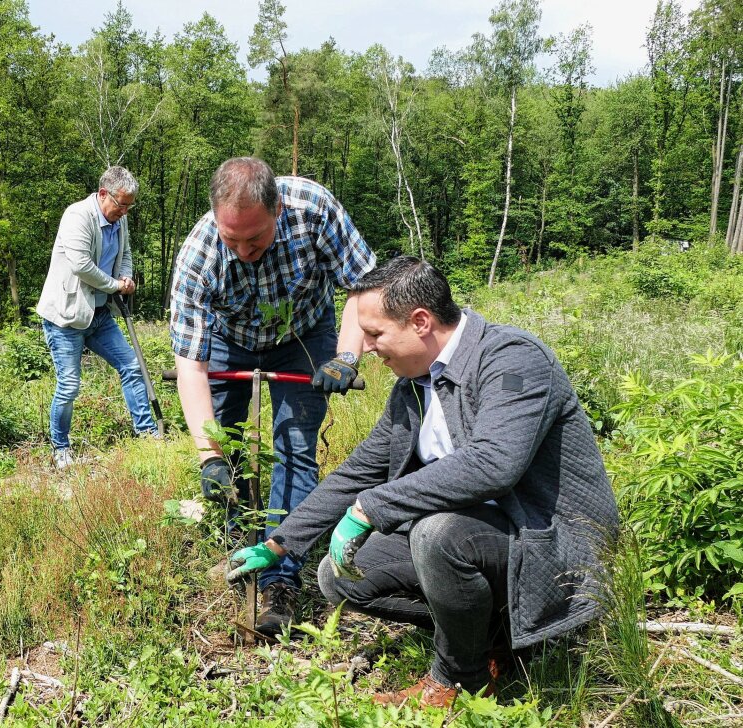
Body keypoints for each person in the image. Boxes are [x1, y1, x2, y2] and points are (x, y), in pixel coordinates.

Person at [225, 256, 619, 707]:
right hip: (477, 540)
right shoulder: (413, 385)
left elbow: (494, 462)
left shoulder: (512, 359)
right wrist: (280, 543)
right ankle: (499, 639)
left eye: (375, 334)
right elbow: (360, 471)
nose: (367, 348)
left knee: (438, 536)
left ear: (420, 321)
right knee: (340, 577)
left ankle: (458, 678)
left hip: (549, 540)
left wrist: (371, 508)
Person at [169, 157, 377, 636]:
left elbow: (363, 289)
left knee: (296, 450)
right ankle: (237, 548)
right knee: (226, 452)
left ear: (277, 209)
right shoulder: (198, 256)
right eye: (231, 239)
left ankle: (281, 577)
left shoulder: (314, 209)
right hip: (228, 339)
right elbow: (190, 366)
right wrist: (208, 456)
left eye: (255, 239)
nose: (242, 250)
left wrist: (346, 357)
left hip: (304, 333)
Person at [36, 166, 159, 469]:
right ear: (104, 194)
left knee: (132, 366)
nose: (125, 211)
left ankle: (146, 432)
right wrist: (115, 284)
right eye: (121, 204)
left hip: (99, 313)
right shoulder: (77, 216)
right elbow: (81, 265)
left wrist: (127, 277)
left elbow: (125, 253)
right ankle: (61, 448)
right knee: (69, 385)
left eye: (130, 205)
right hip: (67, 316)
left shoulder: (121, 219)